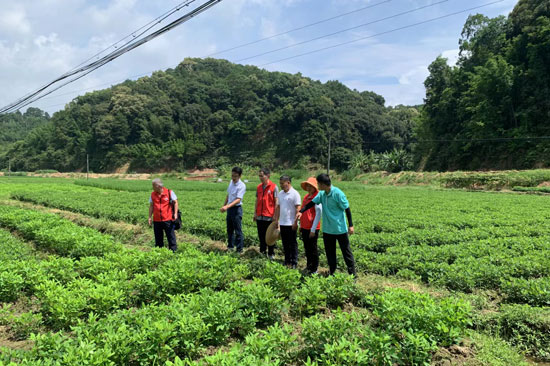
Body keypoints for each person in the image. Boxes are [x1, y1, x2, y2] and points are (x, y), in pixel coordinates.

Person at [299, 174, 356, 276]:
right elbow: (311, 203)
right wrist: (301, 211)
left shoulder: (338, 193)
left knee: (346, 252)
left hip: (340, 229)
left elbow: (347, 209)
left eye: (318, 184)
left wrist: (350, 225)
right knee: (330, 253)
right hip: (327, 230)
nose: (317, 186)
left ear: (322, 184)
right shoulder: (322, 194)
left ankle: (353, 274)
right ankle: (332, 271)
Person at [274, 175, 301, 268]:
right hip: (283, 222)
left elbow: (298, 209)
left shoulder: (295, 194)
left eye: (282, 183)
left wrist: (296, 222)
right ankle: (287, 260)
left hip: (291, 223)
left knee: (292, 243)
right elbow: (278, 207)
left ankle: (294, 262)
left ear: (288, 183)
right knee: (285, 243)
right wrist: (276, 220)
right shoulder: (280, 193)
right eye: (280, 183)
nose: (281, 185)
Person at [254, 168, 278, 259]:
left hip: (269, 216)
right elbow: (257, 200)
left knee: (270, 236)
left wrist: (275, 215)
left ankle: (271, 253)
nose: (260, 177)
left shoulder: (274, 187)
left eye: (262, 176)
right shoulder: (259, 187)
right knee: (261, 235)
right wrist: (255, 213)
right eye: (259, 176)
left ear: (268, 176)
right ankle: (262, 252)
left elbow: (276, 202)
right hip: (260, 216)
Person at [299, 177, 322, 274]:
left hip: (313, 228)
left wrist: (313, 229)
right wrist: (301, 225)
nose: (308, 187)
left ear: (315, 187)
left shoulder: (317, 197)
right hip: (305, 226)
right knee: (307, 248)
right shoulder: (306, 197)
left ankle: (314, 268)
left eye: (310, 186)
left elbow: (319, 213)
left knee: (313, 248)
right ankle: (309, 266)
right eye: (307, 186)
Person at [220, 167, 246, 253]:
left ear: (240, 176)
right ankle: (230, 247)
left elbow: (238, 199)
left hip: (236, 209)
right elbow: (228, 195)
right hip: (229, 209)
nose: (233, 178)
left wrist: (227, 206)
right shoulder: (231, 182)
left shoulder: (242, 186)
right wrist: (224, 205)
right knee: (229, 229)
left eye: (235, 176)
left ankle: (239, 250)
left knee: (238, 231)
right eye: (232, 175)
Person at [148, 178, 178, 252]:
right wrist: (149, 217)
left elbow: (175, 202)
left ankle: (173, 252)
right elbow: (151, 206)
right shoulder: (152, 194)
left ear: (158, 186)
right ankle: (159, 253)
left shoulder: (169, 192)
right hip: (157, 220)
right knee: (158, 238)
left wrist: (175, 213)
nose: (152, 187)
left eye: (153, 186)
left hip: (167, 219)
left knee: (171, 237)